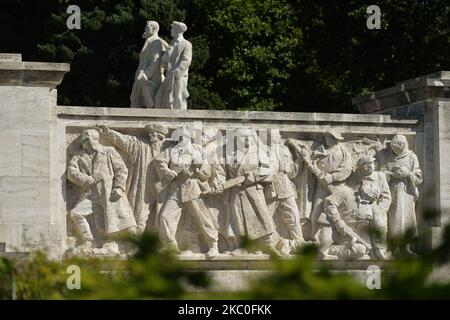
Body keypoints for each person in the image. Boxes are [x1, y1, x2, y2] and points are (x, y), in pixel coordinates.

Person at [67, 129, 137, 254]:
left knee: (123, 222)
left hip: (109, 194)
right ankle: (88, 240)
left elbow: (121, 169)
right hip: (91, 195)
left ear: (94, 140)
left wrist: (119, 187)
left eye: (86, 140)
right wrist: (85, 179)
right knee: (75, 214)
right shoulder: (78, 155)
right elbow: (71, 172)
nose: (84, 143)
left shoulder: (108, 151)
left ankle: (131, 247)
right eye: (83, 140)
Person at [155, 127, 220, 258]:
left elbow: (211, 166)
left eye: (183, 137)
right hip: (175, 189)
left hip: (192, 188)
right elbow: (158, 161)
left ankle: (213, 245)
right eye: (179, 137)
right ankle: (170, 246)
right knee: (165, 217)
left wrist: (199, 167)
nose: (181, 139)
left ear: (189, 137)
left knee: (203, 218)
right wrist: (168, 172)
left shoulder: (198, 149)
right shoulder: (172, 150)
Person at [96, 124, 172, 233]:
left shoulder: (169, 146)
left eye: (153, 133)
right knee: (140, 217)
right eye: (149, 133)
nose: (150, 135)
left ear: (160, 136)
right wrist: (108, 133)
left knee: (163, 217)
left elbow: (191, 144)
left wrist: (196, 134)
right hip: (144, 186)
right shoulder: (140, 145)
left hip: (163, 188)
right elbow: (124, 140)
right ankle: (135, 242)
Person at [321, 156, 392, 260]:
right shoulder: (348, 191)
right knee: (323, 242)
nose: (371, 166)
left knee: (379, 224)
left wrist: (379, 210)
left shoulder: (380, 176)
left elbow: (386, 197)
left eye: (372, 163)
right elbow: (330, 201)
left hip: (375, 212)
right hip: (345, 227)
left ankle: (380, 250)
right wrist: (338, 221)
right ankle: (325, 250)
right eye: (367, 164)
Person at [226, 128, 280, 255]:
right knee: (239, 220)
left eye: (248, 136)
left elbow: (270, 170)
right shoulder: (231, 154)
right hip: (237, 191)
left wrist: (254, 176)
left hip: (253, 190)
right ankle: (243, 246)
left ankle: (268, 245)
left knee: (262, 217)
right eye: (242, 137)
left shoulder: (258, 151)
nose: (245, 139)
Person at [378, 134, 423, 253]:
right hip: (392, 191)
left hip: (407, 192)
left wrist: (407, 173)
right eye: (393, 149)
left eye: (397, 149)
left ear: (403, 146)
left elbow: (419, 177)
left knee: (407, 219)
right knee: (394, 219)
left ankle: (406, 246)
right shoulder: (387, 157)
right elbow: (381, 174)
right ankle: (395, 246)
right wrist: (390, 175)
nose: (395, 151)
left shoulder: (412, 157)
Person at [265, 129, 306, 254]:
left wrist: (299, 159)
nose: (279, 136)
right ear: (268, 136)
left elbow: (292, 172)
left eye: (278, 134)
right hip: (270, 186)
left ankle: (299, 241)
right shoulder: (263, 150)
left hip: (285, 184)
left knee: (293, 214)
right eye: (276, 134)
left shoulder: (285, 150)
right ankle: (269, 243)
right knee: (266, 217)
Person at [130, 21, 169, 108]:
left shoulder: (156, 42)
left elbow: (156, 60)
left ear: (154, 29)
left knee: (146, 103)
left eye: (147, 27)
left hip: (149, 78)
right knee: (135, 99)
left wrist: (146, 75)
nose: (144, 29)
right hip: (141, 74)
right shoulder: (149, 41)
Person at [155, 21, 192, 110]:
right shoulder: (172, 43)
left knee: (178, 97)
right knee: (161, 96)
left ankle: (181, 119)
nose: (171, 30)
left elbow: (186, 60)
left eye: (172, 28)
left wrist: (177, 71)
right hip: (169, 75)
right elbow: (165, 60)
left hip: (180, 75)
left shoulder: (186, 44)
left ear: (178, 30)